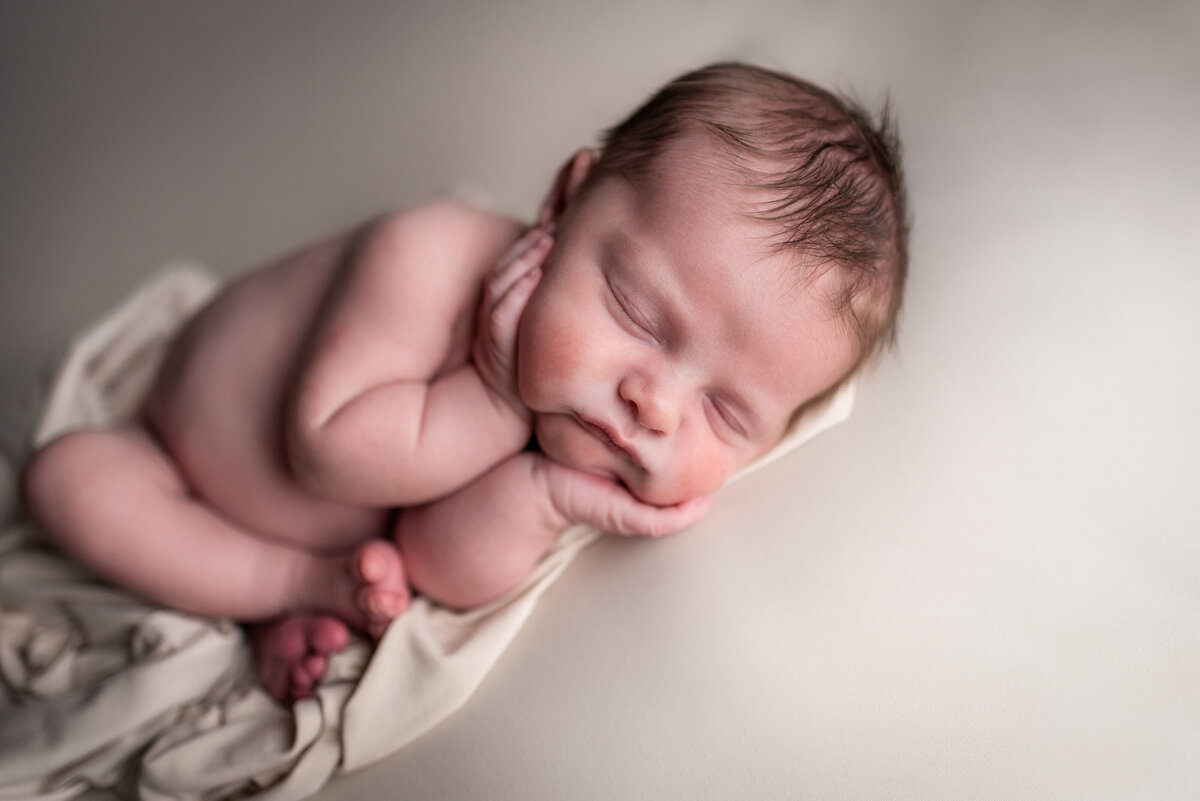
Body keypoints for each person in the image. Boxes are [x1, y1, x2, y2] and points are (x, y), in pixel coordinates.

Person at [21, 62, 909, 703]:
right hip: (171, 452)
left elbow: (433, 565)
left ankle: (270, 607)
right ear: (565, 205)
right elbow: (327, 451)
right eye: (639, 312)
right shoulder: (431, 252)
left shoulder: (576, 402)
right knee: (66, 476)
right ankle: (284, 583)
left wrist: (548, 494)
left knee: (371, 579)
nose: (656, 403)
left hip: (335, 537)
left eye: (726, 411)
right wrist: (489, 393)